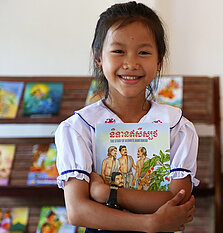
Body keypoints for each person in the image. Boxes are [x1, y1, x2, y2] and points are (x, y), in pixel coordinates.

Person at [55, 2, 198, 232]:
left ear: (159, 60)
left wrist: (108, 193)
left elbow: (177, 199)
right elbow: (78, 210)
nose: (131, 63)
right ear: (98, 57)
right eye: (118, 51)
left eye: (143, 52)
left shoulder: (176, 126)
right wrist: (150, 223)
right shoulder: (79, 128)